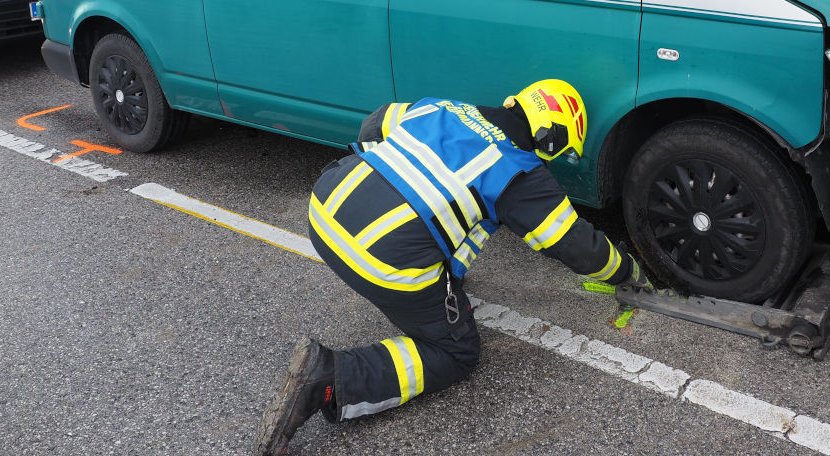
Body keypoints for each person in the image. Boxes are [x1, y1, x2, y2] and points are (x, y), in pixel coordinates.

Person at [254, 79, 650, 455]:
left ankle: (426, 275)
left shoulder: (444, 108)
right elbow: (575, 245)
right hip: (378, 260)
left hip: (324, 210)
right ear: (553, 141)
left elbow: (373, 123)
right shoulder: (519, 172)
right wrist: (626, 272)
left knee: (450, 219)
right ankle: (332, 377)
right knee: (456, 352)